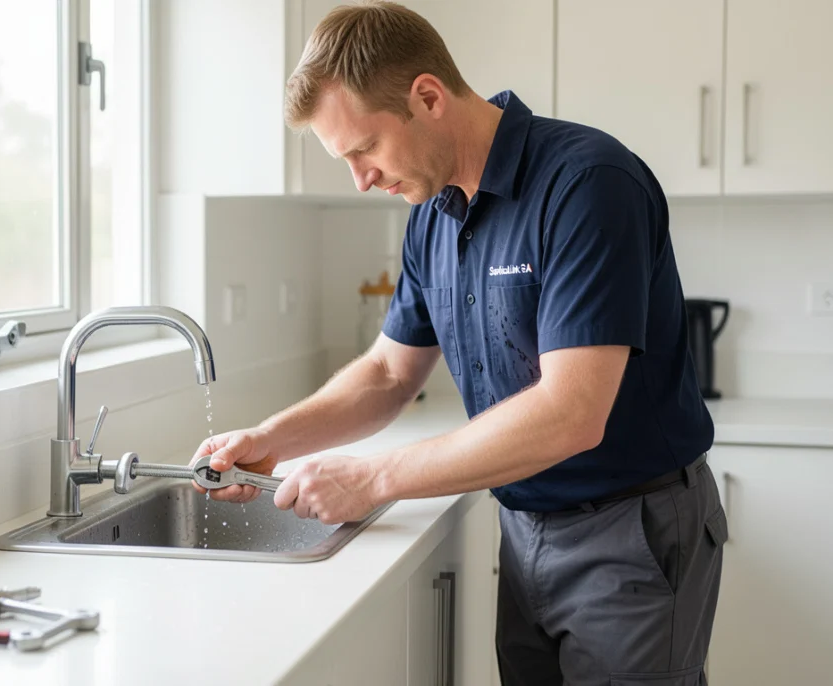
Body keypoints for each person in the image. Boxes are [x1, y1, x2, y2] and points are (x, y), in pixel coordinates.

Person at [189, 2, 727, 683]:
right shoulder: (432, 215)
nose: (361, 179)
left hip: (630, 532)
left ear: (428, 96)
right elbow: (388, 373)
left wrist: (374, 478)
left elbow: (572, 413)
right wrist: (271, 439)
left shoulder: (589, 185)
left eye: (365, 149)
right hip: (525, 527)